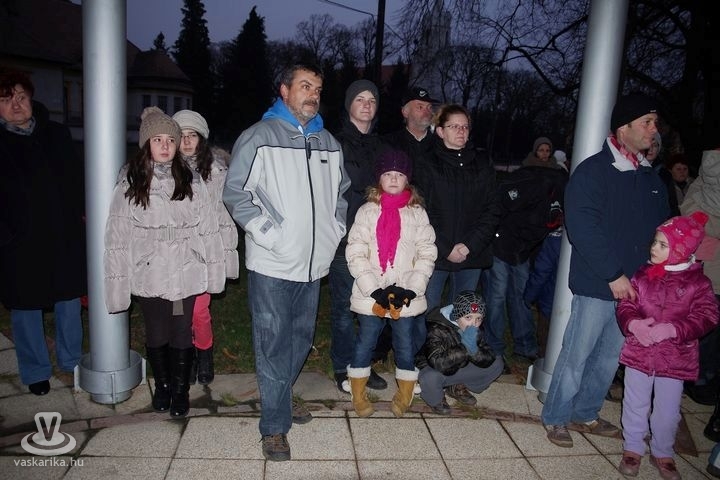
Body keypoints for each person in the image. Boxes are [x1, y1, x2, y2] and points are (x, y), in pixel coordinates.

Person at [222, 63, 350, 462]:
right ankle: (274, 427)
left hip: (313, 265)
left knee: (300, 339)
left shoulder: (329, 143)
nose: (313, 95)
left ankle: (280, 394)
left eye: (318, 89)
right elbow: (236, 192)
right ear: (284, 90)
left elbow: (342, 194)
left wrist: (334, 231)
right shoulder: (259, 137)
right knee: (273, 344)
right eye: (305, 86)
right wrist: (269, 234)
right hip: (273, 264)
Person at [541, 93, 670, 448]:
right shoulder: (593, 171)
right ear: (623, 128)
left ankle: (586, 412)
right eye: (646, 122)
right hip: (600, 283)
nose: (653, 130)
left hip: (637, 288)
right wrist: (614, 274)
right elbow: (583, 227)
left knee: (610, 358)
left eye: (655, 123)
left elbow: (663, 230)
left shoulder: (651, 178)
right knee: (577, 355)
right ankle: (556, 416)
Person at [104, 107, 226, 418]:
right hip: (150, 272)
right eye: (157, 139)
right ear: (146, 143)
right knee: (157, 332)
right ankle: (163, 386)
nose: (165, 146)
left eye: (170, 140)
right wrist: (117, 285)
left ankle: (181, 391)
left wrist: (214, 271)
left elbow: (208, 228)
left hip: (186, 270)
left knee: (181, 330)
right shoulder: (130, 182)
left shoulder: (192, 180)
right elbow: (117, 237)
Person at [0, 70, 86, 396]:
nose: (16, 105)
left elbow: (77, 179)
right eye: (6, 100)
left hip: (63, 234)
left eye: (21, 97)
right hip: (18, 242)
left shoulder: (57, 134)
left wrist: (81, 217)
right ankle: (36, 370)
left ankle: (71, 360)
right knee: (25, 308)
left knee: (68, 301)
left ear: (31, 98)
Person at [616, 212, 718, 478]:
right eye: (655, 241)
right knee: (635, 402)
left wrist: (674, 329)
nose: (654, 248)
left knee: (668, 409)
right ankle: (633, 447)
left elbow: (707, 315)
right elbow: (627, 304)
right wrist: (633, 324)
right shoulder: (643, 275)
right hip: (639, 352)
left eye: (663, 245)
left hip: (676, 357)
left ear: (682, 250)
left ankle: (663, 451)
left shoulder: (698, 283)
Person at [345, 148, 437, 418]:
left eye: (399, 174)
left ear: (407, 179)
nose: (394, 179)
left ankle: (405, 392)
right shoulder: (367, 211)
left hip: (405, 295)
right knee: (366, 341)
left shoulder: (417, 213)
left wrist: (412, 289)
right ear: (379, 179)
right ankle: (358, 392)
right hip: (371, 294)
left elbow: (427, 253)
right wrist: (373, 289)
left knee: (405, 343)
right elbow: (356, 251)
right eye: (388, 174)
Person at [482, 136, 567, 363]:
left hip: (523, 248)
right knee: (497, 295)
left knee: (522, 294)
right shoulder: (529, 181)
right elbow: (502, 204)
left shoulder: (559, 187)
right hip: (501, 242)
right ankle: (494, 347)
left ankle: (525, 345)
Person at [372, 86, 440, 368]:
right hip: (393, 231)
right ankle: (379, 348)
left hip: (426, 230)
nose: (426, 110)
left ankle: (416, 353)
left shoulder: (439, 145)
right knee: (386, 289)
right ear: (404, 111)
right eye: (419, 105)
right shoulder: (389, 143)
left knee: (419, 292)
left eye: (429, 106)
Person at [171, 109, 239, 385]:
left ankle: (205, 354)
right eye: (182, 136)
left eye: (193, 135)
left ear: (202, 139)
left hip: (205, 252)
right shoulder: (165, 170)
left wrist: (225, 251)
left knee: (199, 310)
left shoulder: (217, 173)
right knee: (179, 312)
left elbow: (225, 214)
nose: (187, 141)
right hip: (175, 255)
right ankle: (185, 356)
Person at [329, 80, 387, 393]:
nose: (366, 104)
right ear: (349, 104)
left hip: (377, 242)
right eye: (360, 99)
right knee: (342, 308)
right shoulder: (334, 143)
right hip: (344, 240)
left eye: (372, 100)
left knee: (371, 306)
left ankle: (363, 363)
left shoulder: (383, 147)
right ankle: (342, 366)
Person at [415, 290, 503, 414]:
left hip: (459, 366)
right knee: (429, 377)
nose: (474, 323)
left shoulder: (474, 329)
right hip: (435, 369)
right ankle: (436, 399)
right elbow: (437, 363)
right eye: (468, 317)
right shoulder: (437, 328)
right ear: (456, 316)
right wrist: (464, 348)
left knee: (497, 363)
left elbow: (488, 356)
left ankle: (457, 386)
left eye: (479, 318)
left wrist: (474, 351)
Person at [680, 149, 720, 407]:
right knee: (704, 326)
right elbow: (694, 220)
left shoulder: (699, 187)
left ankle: (703, 376)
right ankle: (697, 378)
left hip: (710, 268)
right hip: (706, 270)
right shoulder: (699, 188)